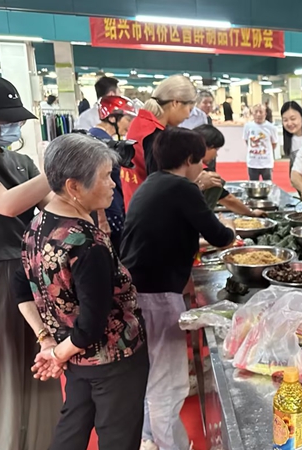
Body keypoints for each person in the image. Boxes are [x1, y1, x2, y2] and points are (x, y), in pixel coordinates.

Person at [20, 133, 148, 450]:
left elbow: (20, 286)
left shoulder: (38, 225)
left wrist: (49, 342)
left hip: (74, 356)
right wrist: (57, 353)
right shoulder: (86, 244)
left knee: (71, 430)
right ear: (75, 186)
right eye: (106, 177)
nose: (113, 185)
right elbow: (91, 324)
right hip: (112, 360)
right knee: (118, 437)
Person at [121, 128, 235, 450]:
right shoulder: (182, 187)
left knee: (153, 375)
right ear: (189, 160)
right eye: (201, 161)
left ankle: (148, 438)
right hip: (156, 295)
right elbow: (219, 236)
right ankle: (169, 444)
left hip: (139, 291)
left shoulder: (152, 183)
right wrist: (232, 231)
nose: (203, 167)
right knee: (168, 384)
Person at [0, 73, 61, 450]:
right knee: (0, 371)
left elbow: (52, 209)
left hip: (32, 272)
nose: (9, 126)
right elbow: (6, 203)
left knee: (41, 359)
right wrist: (59, 171)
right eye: (1, 118)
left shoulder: (22, 161)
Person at [122, 75, 214, 210]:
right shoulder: (153, 134)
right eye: (189, 109)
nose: (188, 116)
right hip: (150, 213)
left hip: (135, 206)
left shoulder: (141, 122)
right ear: (176, 103)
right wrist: (198, 183)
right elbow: (162, 186)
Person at [89, 95, 138, 250]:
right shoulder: (97, 142)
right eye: (127, 119)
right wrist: (102, 219)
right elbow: (94, 181)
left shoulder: (103, 140)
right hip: (108, 214)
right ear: (112, 118)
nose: (130, 124)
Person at [195, 124, 266, 217]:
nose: (216, 155)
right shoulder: (204, 173)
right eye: (216, 149)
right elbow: (228, 199)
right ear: (205, 147)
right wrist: (251, 213)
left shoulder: (180, 163)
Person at [244, 103, 278, 181]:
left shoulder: (271, 127)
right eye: (256, 112)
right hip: (252, 162)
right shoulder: (248, 126)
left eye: (261, 112)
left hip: (266, 163)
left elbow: (274, 143)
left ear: (265, 114)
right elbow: (246, 140)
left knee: (268, 185)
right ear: (252, 113)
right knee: (253, 186)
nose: (258, 114)